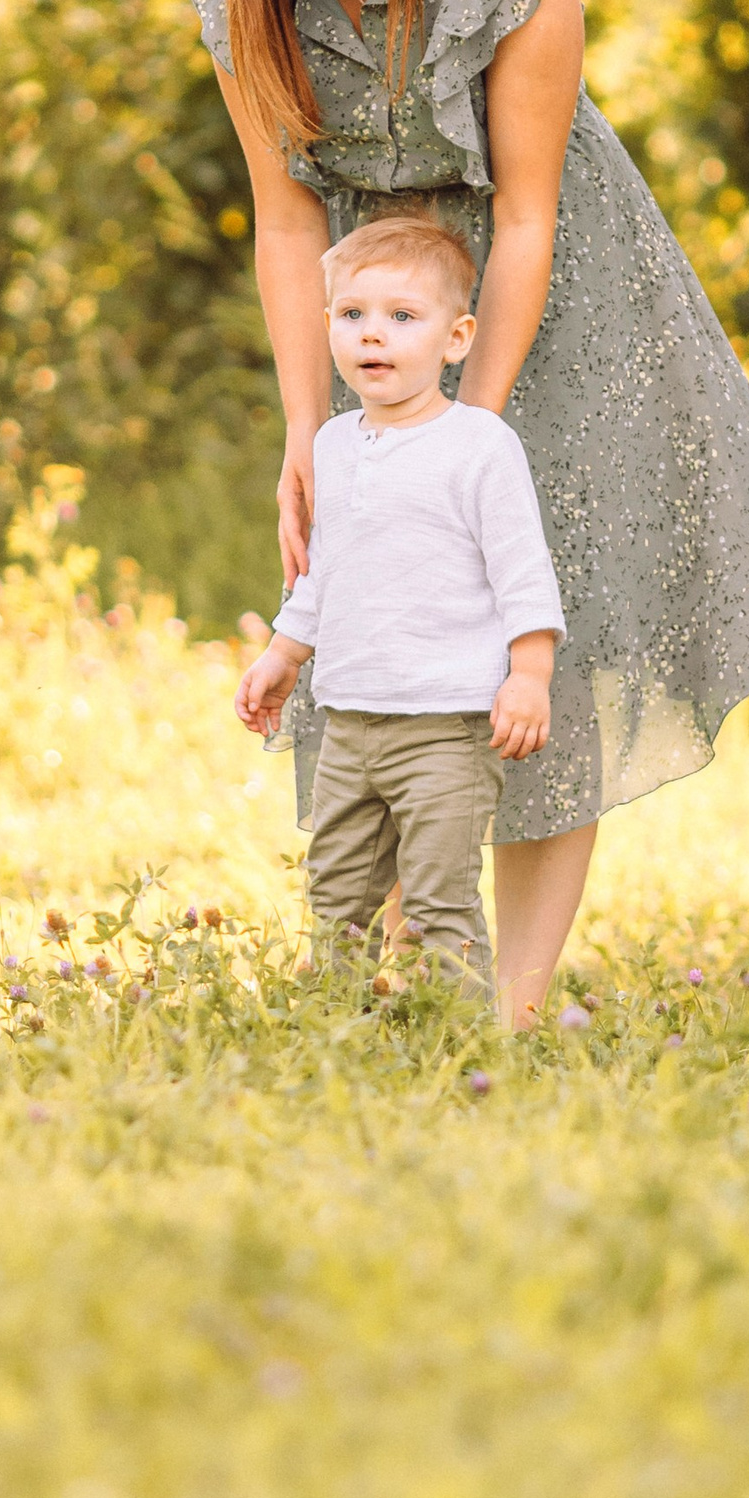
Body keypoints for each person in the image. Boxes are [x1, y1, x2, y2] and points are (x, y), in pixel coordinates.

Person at [185, 0, 749, 1027]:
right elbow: (284, 220)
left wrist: (461, 435)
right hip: (378, 302)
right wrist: (310, 434)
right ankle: (402, 973)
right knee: (374, 614)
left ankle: (515, 1005)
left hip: (546, 297)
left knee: (538, 630)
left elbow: (533, 209)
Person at [236, 213, 562, 1003]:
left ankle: (460, 1040)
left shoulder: (478, 445)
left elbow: (523, 571)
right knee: (336, 896)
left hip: (445, 727)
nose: (372, 335)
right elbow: (325, 570)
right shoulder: (335, 444)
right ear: (328, 329)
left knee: (440, 897)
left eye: (401, 317)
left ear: (456, 339)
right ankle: (330, 1032)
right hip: (350, 723)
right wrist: (283, 654)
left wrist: (529, 674)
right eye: (353, 316)